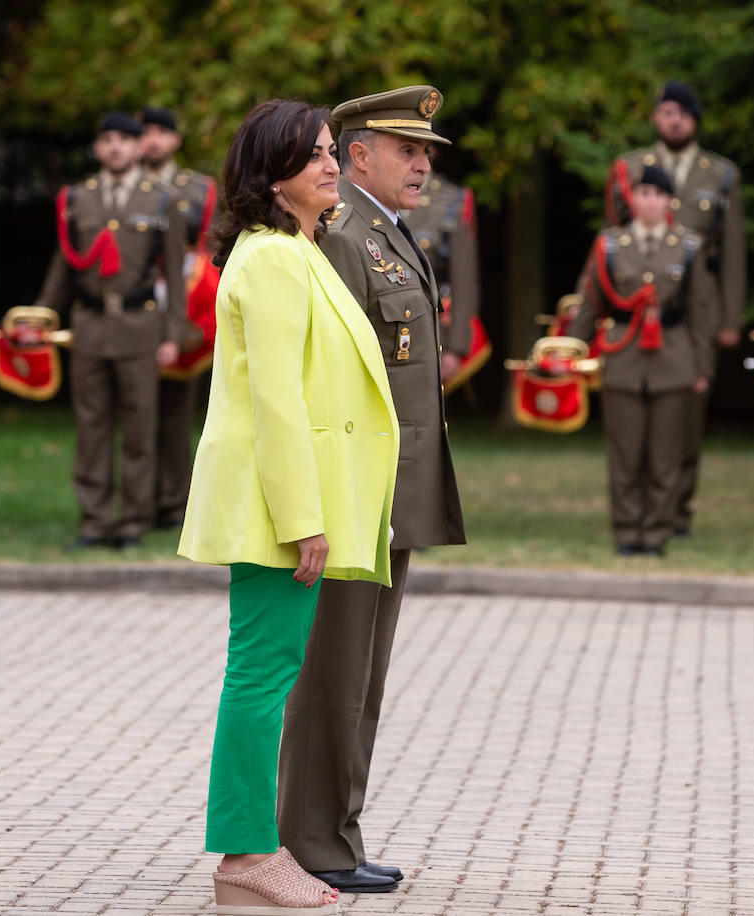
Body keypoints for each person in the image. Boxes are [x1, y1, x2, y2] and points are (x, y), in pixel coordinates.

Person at [177, 98, 399, 915]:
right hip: (278, 508)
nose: (331, 164)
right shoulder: (272, 259)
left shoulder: (295, 250)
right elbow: (275, 400)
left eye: (333, 151)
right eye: (312, 156)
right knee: (261, 676)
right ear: (271, 175)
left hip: (288, 501)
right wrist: (304, 516)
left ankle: (252, 852)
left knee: (266, 672)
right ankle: (244, 856)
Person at [277, 85, 466, 896]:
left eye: (427, 152)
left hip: (392, 488)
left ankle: (338, 834)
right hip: (356, 489)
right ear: (358, 156)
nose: (423, 164)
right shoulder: (346, 236)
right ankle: (312, 841)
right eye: (407, 150)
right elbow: (327, 381)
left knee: (363, 674)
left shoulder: (386, 234)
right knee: (334, 670)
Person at [33, 112, 190, 550]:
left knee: (140, 428)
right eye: (107, 140)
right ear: (98, 148)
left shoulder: (161, 199)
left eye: (125, 139)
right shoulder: (77, 198)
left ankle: (134, 521)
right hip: (89, 324)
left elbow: (175, 275)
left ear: (140, 147)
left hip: (141, 326)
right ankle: (95, 519)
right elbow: (64, 263)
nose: (116, 147)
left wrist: (173, 335)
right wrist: (43, 316)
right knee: (92, 426)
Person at [605, 81, 746, 537]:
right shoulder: (629, 170)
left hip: (693, 313)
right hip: (638, 314)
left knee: (683, 420)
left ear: (694, 120)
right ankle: (643, 512)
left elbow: (733, 253)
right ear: (655, 118)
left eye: (682, 113)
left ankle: (675, 509)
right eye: (666, 112)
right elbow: (614, 248)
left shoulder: (721, 174)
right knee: (639, 427)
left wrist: (729, 319)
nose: (674, 120)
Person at [569, 164, 716, 556]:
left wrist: (702, 367)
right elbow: (590, 302)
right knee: (625, 454)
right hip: (623, 357)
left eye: (658, 195)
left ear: (670, 201)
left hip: (673, 356)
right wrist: (570, 351)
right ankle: (627, 532)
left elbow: (702, 310)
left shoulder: (688, 246)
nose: (650, 202)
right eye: (643, 193)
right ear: (632, 199)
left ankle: (656, 535)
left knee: (666, 456)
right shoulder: (610, 246)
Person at [140, 106, 218, 530]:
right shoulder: (123, 189)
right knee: (137, 414)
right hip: (135, 308)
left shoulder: (200, 189)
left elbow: (213, 249)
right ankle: (141, 500)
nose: (151, 140)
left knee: (177, 414)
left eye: (160, 132)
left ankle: (177, 502)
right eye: (145, 132)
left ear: (175, 140)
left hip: (187, 307)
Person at [401, 173, 479, 388]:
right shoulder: (374, 193)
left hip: (432, 332)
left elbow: (463, 280)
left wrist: (456, 347)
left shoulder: (452, 199)